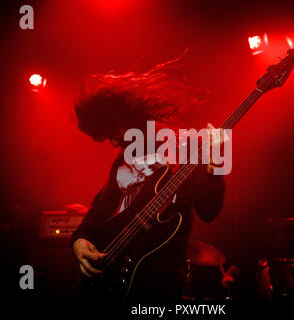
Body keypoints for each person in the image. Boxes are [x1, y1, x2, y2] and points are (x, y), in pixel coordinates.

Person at [71, 57, 226, 301]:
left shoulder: (187, 147)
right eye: (109, 134)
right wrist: (80, 240)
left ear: (130, 114)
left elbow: (208, 211)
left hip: (159, 283)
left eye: (116, 128)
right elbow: (99, 210)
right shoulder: (123, 156)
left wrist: (217, 162)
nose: (115, 138)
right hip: (109, 274)